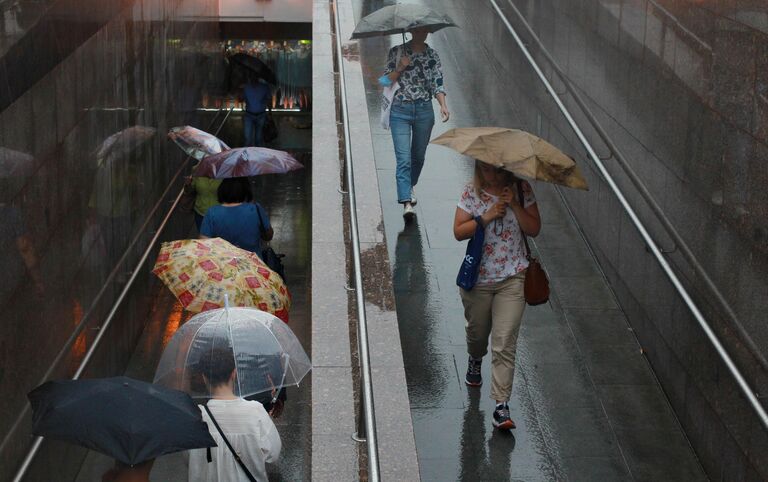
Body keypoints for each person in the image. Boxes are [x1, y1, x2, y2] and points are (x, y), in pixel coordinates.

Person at [452, 161, 541, 430]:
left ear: (505, 170)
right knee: (478, 334)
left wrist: (514, 205)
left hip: (514, 277)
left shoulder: (522, 189)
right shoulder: (471, 192)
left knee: (504, 342)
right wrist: (486, 217)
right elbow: (458, 231)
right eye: (484, 169)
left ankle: (501, 405)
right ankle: (475, 358)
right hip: (478, 279)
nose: (488, 174)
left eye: (494, 170)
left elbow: (534, 229)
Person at [380, 26, 450, 221]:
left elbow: (438, 83)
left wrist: (443, 105)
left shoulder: (432, 55)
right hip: (400, 109)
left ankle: (409, 185)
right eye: (418, 30)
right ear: (412, 31)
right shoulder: (397, 52)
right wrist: (400, 67)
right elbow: (385, 80)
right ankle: (406, 201)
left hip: (423, 110)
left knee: (418, 157)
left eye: (424, 30)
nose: (422, 33)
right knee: (403, 158)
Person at [189, 348, 281, 482]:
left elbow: (189, 460)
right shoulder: (255, 411)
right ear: (234, 373)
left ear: (204, 377)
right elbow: (273, 454)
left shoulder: (195, 417)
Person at [199, 177, 273, 256]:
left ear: (222, 190)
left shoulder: (212, 212)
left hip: (225, 264)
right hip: (252, 263)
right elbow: (268, 236)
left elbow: (204, 243)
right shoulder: (256, 209)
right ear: (246, 190)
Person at [241, 75, 272, 147]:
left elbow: (269, 100)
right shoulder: (263, 87)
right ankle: (252, 154)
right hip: (254, 114)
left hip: (256, 114)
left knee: (255, 138)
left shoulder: (247, 87)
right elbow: (269, 100)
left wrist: (270, 112)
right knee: (251, 138)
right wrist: (270, 112)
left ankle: (249, 155)